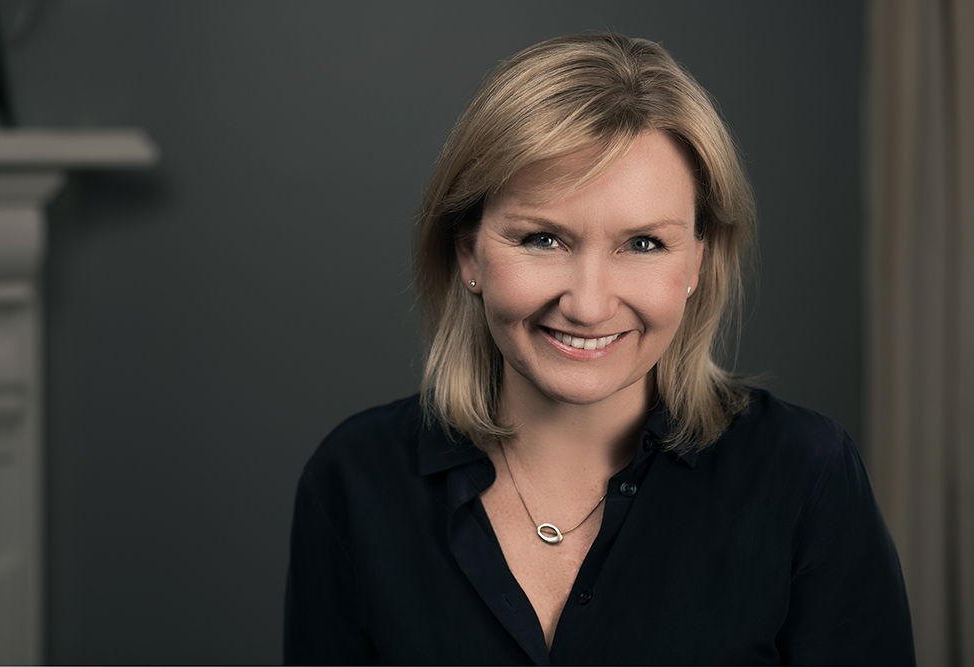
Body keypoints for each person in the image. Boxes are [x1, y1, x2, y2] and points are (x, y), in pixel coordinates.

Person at [284, 34, 915, 665]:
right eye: (542, 239)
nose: (588, 304)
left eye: (642, 244)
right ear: (469, 253)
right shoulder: (353, 481)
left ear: (698, 259)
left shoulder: (805, 476)